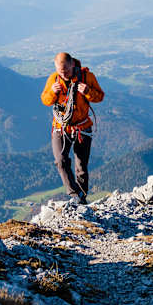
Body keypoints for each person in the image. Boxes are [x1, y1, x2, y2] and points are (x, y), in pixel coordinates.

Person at [40, 52, 104, 205]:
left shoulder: (87, 77)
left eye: (66, 70)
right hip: (61, 127)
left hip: (82, 127)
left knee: (81, 165)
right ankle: (75, 194)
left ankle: (81, 197)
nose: (63, 74)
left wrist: (88, 92)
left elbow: (100, 96)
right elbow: (45, 100)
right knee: (61, 160)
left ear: (72, 64)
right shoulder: (54, 79)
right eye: (60, 71)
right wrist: (52, 93)